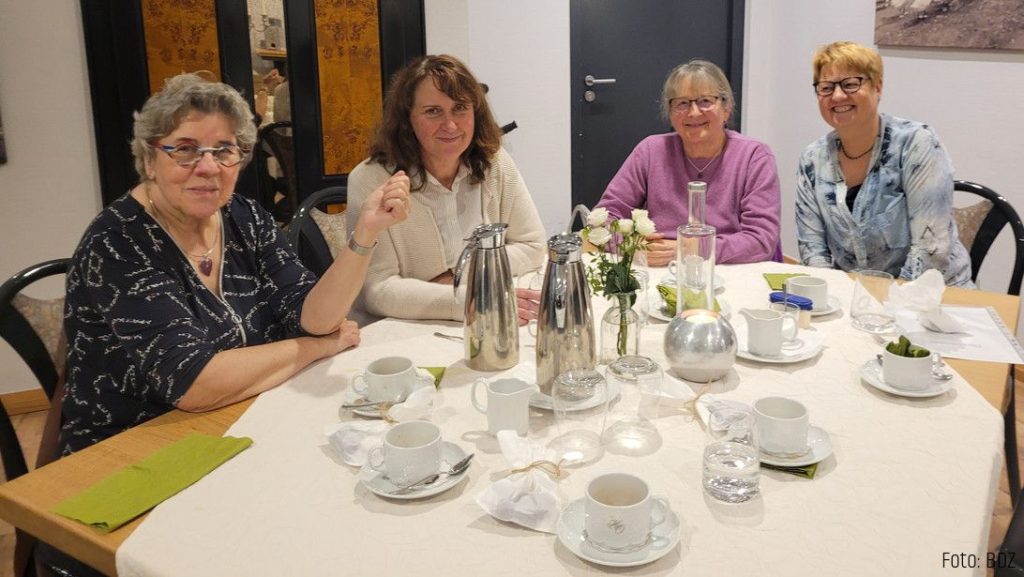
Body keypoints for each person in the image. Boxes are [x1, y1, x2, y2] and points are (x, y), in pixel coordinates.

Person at [59, 73, 410, 456]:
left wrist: (365, 233)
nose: (209, 167)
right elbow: (194, 383)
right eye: (185, 149)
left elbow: (316, 317)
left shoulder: (245, 217)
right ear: (149, 160)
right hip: (133, 448)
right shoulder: (118, 243)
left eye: (224, 150)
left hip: (241, 417)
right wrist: (316, 347)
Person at [347, 55, 546, 324]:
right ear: (407, 118)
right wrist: (469, 301)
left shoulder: (494, 161)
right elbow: (376, 289)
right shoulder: (370, 179)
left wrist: (458, 275)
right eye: (433, 111)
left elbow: (532, 246)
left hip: (481, 317)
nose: (450, 125)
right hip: (400, 329)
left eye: (460, 108)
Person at [796, 41, 972, 286]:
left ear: (877, 87)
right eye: (826, 87)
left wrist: (888, 303)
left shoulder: (916, 144)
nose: (837, 96)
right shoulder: (812, 160)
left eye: (850, 84)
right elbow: (812, 249)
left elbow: (930, 251)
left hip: (933, 294)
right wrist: (831, 293)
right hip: (854, 296)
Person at [595, 59, 781, 266]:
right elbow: (603, 219)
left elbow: (761, 240)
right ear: (670, 112)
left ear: (726, 108)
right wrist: (633, 246)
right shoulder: (650, 151)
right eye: (682, 103)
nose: (693, 113)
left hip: (727, 268)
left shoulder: (754, 156)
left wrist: (688, 249)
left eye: (705, 101)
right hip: (660, 268)